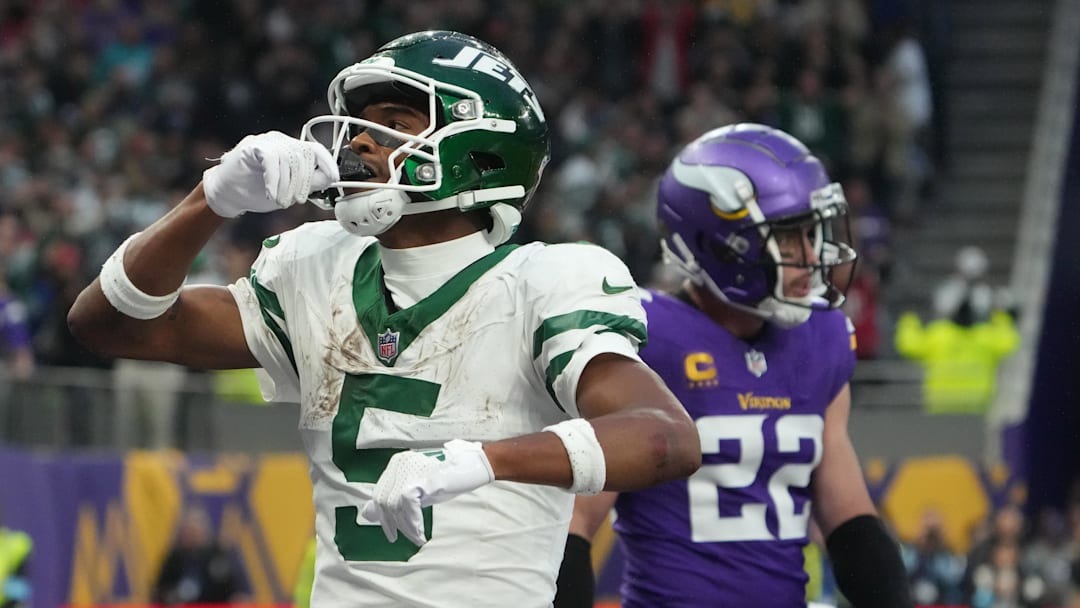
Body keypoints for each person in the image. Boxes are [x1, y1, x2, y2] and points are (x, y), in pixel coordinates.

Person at [67, 30, 700, 607]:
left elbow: (665, 436)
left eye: (395, 123)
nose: (363, 142)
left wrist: (484, 460)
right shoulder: (316, 266)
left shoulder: (542, 281)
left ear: (480, 150)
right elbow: (111, 325)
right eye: (361, 127)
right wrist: (210, 200)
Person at [555, 123, 913, 608]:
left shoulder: (822, 339)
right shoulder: (647, 341)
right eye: (790, 240)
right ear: (722, 245)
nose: (812, 257)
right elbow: (574, 525)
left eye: (813, 234)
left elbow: (849, 518)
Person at [152, 505, 249, 605]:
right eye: (186, 531)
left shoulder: (216, 554)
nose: (189, 536)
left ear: (203, 532)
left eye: (193, 531)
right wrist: (169, 597)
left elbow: (232, 588)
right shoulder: (174, 557)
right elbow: (158, 591)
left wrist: (237, 597)